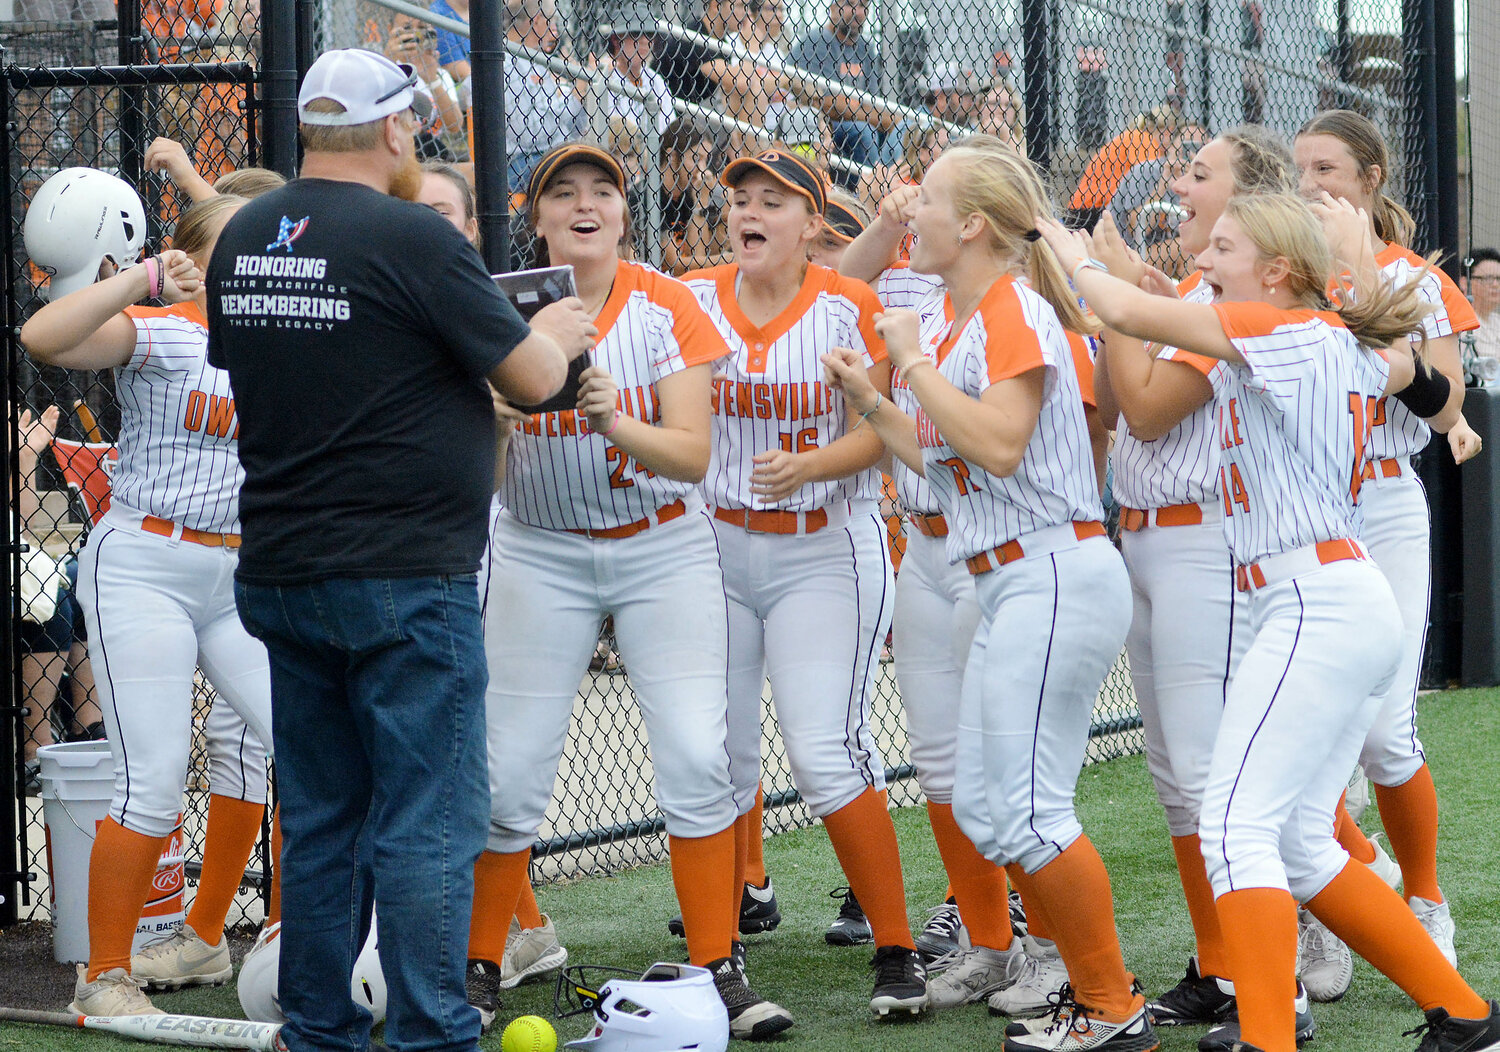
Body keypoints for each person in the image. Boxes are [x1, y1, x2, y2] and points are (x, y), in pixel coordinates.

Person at [1039, 190, 1500, 1052]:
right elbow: (1425, 381)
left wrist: (1072, 252)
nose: (1205, 261)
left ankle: (1266, 1038)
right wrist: (1447, 402)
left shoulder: (1282, 327)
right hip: (1324, 595)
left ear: (1276, 270)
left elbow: (1127, 311)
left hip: (1313, 599)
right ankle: (1467, 1018)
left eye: (1222, 247)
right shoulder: (1333, 334)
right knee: (1296, 840)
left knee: (1232, 827)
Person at [204, 48, 592, 1051]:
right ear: (389, 130)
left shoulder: (246, 232)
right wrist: (553, 321)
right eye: (413, 123)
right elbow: (539, 377)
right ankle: (430, 1032)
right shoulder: (413, 236)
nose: (417, 137)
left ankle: (321, 1031)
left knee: (324, 817)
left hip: (285, 564)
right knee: (425, 819)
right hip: (403, 571)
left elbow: (286, 363)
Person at [823, 142, 1152, 1050]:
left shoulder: (1011, 307)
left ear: (972, 223)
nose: (909, 212)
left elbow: (1001, 446)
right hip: (1010, 572)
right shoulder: (968, 319)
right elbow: (955, 466)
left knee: (1028, 809)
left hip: (1051, 570)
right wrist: (874, 399)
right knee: (985, 802)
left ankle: (1109, 1004)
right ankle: (1094, 995)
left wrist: (909, 365)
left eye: (926, 200)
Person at [464, 141, 794, 1041]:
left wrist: (617, 419)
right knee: (509, 776)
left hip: (661, 545)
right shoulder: (499, 303)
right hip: (539, 547)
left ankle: (718, 965)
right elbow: (482, 479)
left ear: (624, 210)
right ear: (535, 217)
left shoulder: (667, 302)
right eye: (561, 193)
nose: (583, 204)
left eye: (601, 190)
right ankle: (479, 966)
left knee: (696, 756)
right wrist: (489, 421)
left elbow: (693, 455)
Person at [683, 148, 928, 1017]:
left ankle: (896, 950)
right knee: (716, 756)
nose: (749, 211)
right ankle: (718, 959)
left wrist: (815, 463)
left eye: (773, 201)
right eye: (739, 197)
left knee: (827, 754)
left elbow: (885, 427)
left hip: (826, 546)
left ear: (812, 226)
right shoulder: (695, 296)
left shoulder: (849, 306)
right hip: (714, 547)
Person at [22, 192, 278, 1016]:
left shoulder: (284, 343)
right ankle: (102, 978)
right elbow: (43, 336)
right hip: (144, 564)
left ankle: (297, 935)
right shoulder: (165, 327)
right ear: (200, 258)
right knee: (155, 776)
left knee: (318, 747)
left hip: (236, 578)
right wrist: (142, 277)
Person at [1079, 126, 1299, 1032]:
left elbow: (1149, 409)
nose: (1180, 185)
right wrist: (1124, 292)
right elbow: (1113, 388)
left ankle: (1272, 981)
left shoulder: (1233, 302)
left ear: (1247, 199)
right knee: (1177, 775)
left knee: (1216, 776)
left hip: (1210, 542)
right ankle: (1221, 965)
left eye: (1199, 175)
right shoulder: (1189, 292)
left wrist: (1115, 293)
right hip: (1150, 541)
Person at [1292, 108, 1482, 997]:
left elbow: (1442, 412)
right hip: (1297, 513)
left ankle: (1425, 896)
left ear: (1370, 178)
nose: (1311, 185)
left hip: (1382, 507)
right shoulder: (1283, 272)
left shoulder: (1414, 280)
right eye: (1300, 170)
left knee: (1381, 732)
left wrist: (1363, 277)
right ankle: (1334, 899)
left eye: (1328, 168)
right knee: (1304, 726)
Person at [414, 158, 573, 997]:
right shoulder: (396, 290)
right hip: (416, 541)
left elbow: (512, 435)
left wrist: (496, 414)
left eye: (453, 213)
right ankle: (526, 926)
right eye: (424, 210)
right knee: (451, 751)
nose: (440, 224)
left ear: (475, 228)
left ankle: (508, 930)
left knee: (474, 750)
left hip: (489, 544)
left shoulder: (501, 300)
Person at [787, 0, 886, 189]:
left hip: (858, 120)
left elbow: (872, 103)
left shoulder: (866, 48)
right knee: (864, 131)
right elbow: (825, 102)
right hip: (821, 123)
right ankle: (870, 193)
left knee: (902, 129)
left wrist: (870, 114)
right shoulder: (817, 40)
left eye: (863, 6)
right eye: (850, 4)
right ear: (832, 8)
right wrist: (868, 114)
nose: (857, 12)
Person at [503, 0, 586, 192]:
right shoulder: (506, 63)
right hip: (521, 162)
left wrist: (580, 96)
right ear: (538, 21)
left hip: (552, 151)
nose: (555, 31)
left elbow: (572, 129)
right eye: (553, 21)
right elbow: (529, 134)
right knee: (582, 174)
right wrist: (575, 95)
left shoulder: (537, 60)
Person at [658, 117, 731, 275]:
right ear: (672, 156)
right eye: (696, 158)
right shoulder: (651, 196)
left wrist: (701, 201)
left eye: (705, 160)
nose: (702, 169)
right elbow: (676, 265)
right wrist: (733, 260)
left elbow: (697, 258)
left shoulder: (688, 194)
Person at [602, 6, 674, 135]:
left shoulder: (656, 81)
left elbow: (669, 132)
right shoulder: (603, 76)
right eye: (636, 33)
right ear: (616, 39)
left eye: (650, 34)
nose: (645, 40)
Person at [1464, 247, 1500, 363]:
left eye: (1499, 279)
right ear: (1464, 282)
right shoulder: (1462, 323)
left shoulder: (1497, 320)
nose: (1495, 285)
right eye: (1487, 278)